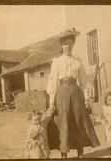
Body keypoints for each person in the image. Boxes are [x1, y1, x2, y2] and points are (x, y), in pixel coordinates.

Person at [46, 28, 100, 158]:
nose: (67, 46)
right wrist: (52, 102)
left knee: (79, 120)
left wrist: (87, 98)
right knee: (63, 122)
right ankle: (64, 153)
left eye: (70, 43)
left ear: (73, 44)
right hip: (62, 94)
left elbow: (84, 81)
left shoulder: (78, 61)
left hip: (76, 93)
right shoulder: (56, 62)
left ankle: (80, 152)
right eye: (65, 43)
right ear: (61, 45)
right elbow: (53, 81)